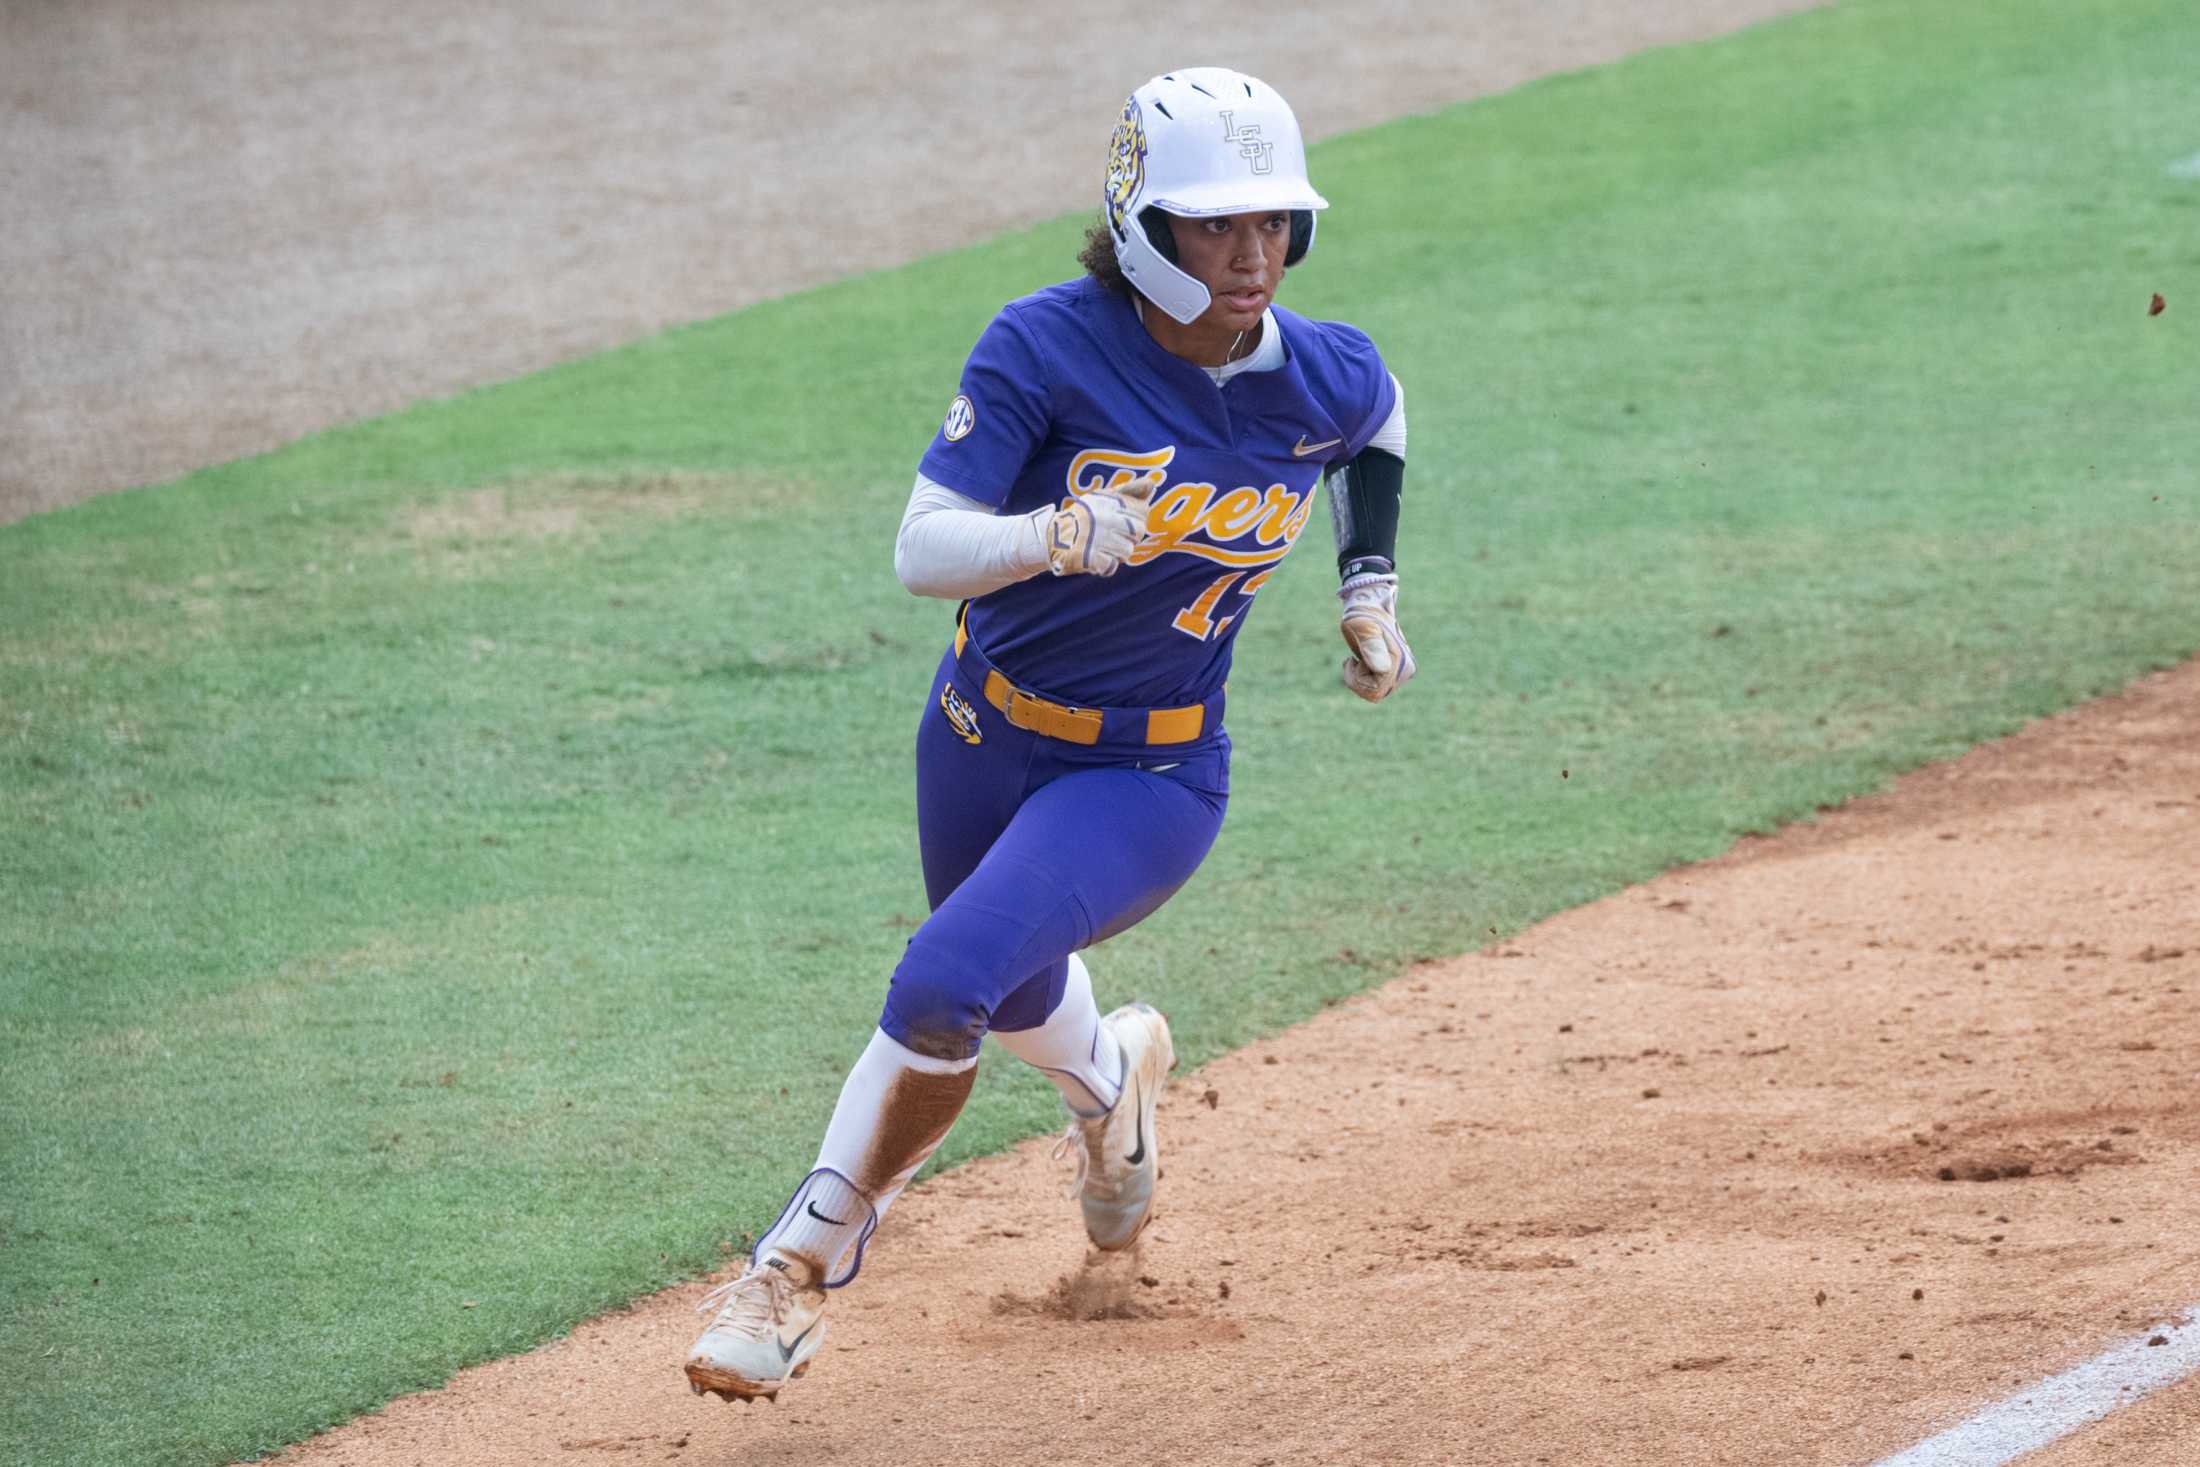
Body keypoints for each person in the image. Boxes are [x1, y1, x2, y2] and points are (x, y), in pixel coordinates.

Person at [684, 66, 1413, 1404]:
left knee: (946, 976)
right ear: (1144, 222)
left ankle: (790, 1273)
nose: (1250, 256)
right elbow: (921, 547)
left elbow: (1379, 423)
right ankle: (1113, 1078)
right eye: (1213, 227)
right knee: (1009, 989)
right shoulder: (1043, 346)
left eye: (1271, 224)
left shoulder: (1321, 370)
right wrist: (1048, 538)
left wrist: (1369, 586)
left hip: (1152, 772)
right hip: (975, 734)